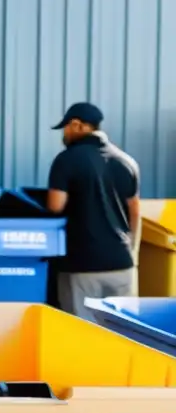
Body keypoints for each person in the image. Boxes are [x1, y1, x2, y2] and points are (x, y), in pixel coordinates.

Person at [46, 103, 140, 321]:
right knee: (122, 334)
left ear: (77, 125)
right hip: (122, 264)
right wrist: (131, 252)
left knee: (83, 333)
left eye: (66, 127)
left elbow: (55, 205)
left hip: (82, 264)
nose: (65, 133)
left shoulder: (67, 159)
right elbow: (134, 210)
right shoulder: (127, 161)